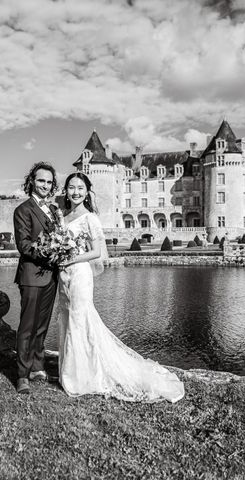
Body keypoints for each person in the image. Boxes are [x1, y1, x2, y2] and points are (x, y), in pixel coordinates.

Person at [57, 172, 184, 403]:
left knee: (80, 319)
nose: (75, 192)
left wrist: (70, 258)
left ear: (87, 192)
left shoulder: (90, 218)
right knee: (67, 319)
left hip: (79, 273)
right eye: (71, 187)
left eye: (80, 188)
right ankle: (73, 370)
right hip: (64, 275)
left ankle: (82, 377)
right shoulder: (63, 216)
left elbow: (97, 252)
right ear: (66, 190)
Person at [13, 162, 61, 394]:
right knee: (27, 327)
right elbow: (23, 245)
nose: (45, 185)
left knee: (42, 326)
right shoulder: (23, 210)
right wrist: (49, 253)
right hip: (32, 275)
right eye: (41, 180)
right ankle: (22, 374)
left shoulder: (53, 211)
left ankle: (37, 365)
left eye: (49, 182)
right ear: (32, 181)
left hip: (51, 276)